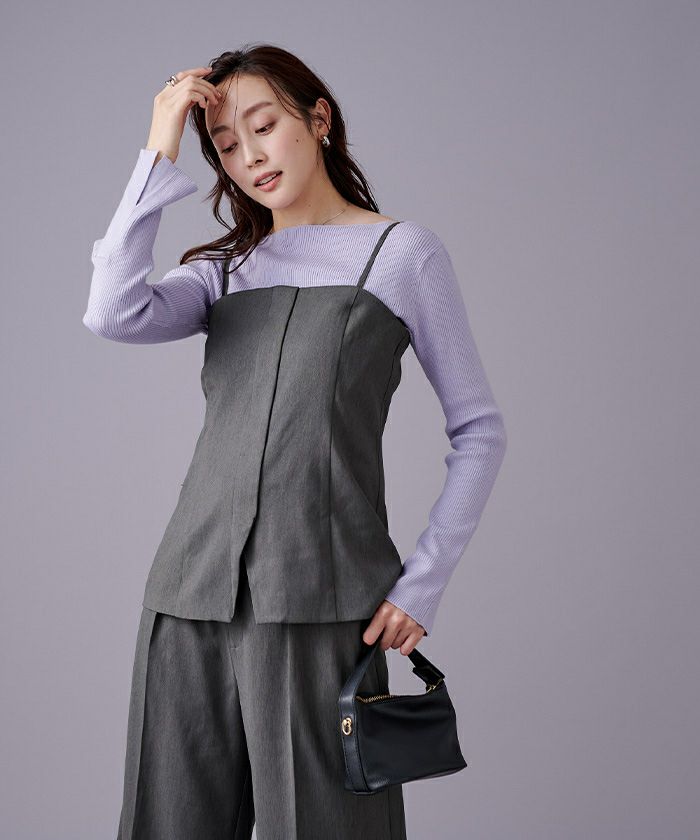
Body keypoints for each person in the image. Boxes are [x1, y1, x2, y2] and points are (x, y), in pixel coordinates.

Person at [83, 44, 507, 840]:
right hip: (188, 595)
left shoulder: (401, 255)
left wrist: (421, 586)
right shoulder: (226, 269)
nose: (249, 156)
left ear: (319, 120)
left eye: (264, 126)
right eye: (226, 145)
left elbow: (480, 431)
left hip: (322, 600)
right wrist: (159, 144)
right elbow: (111, 311)